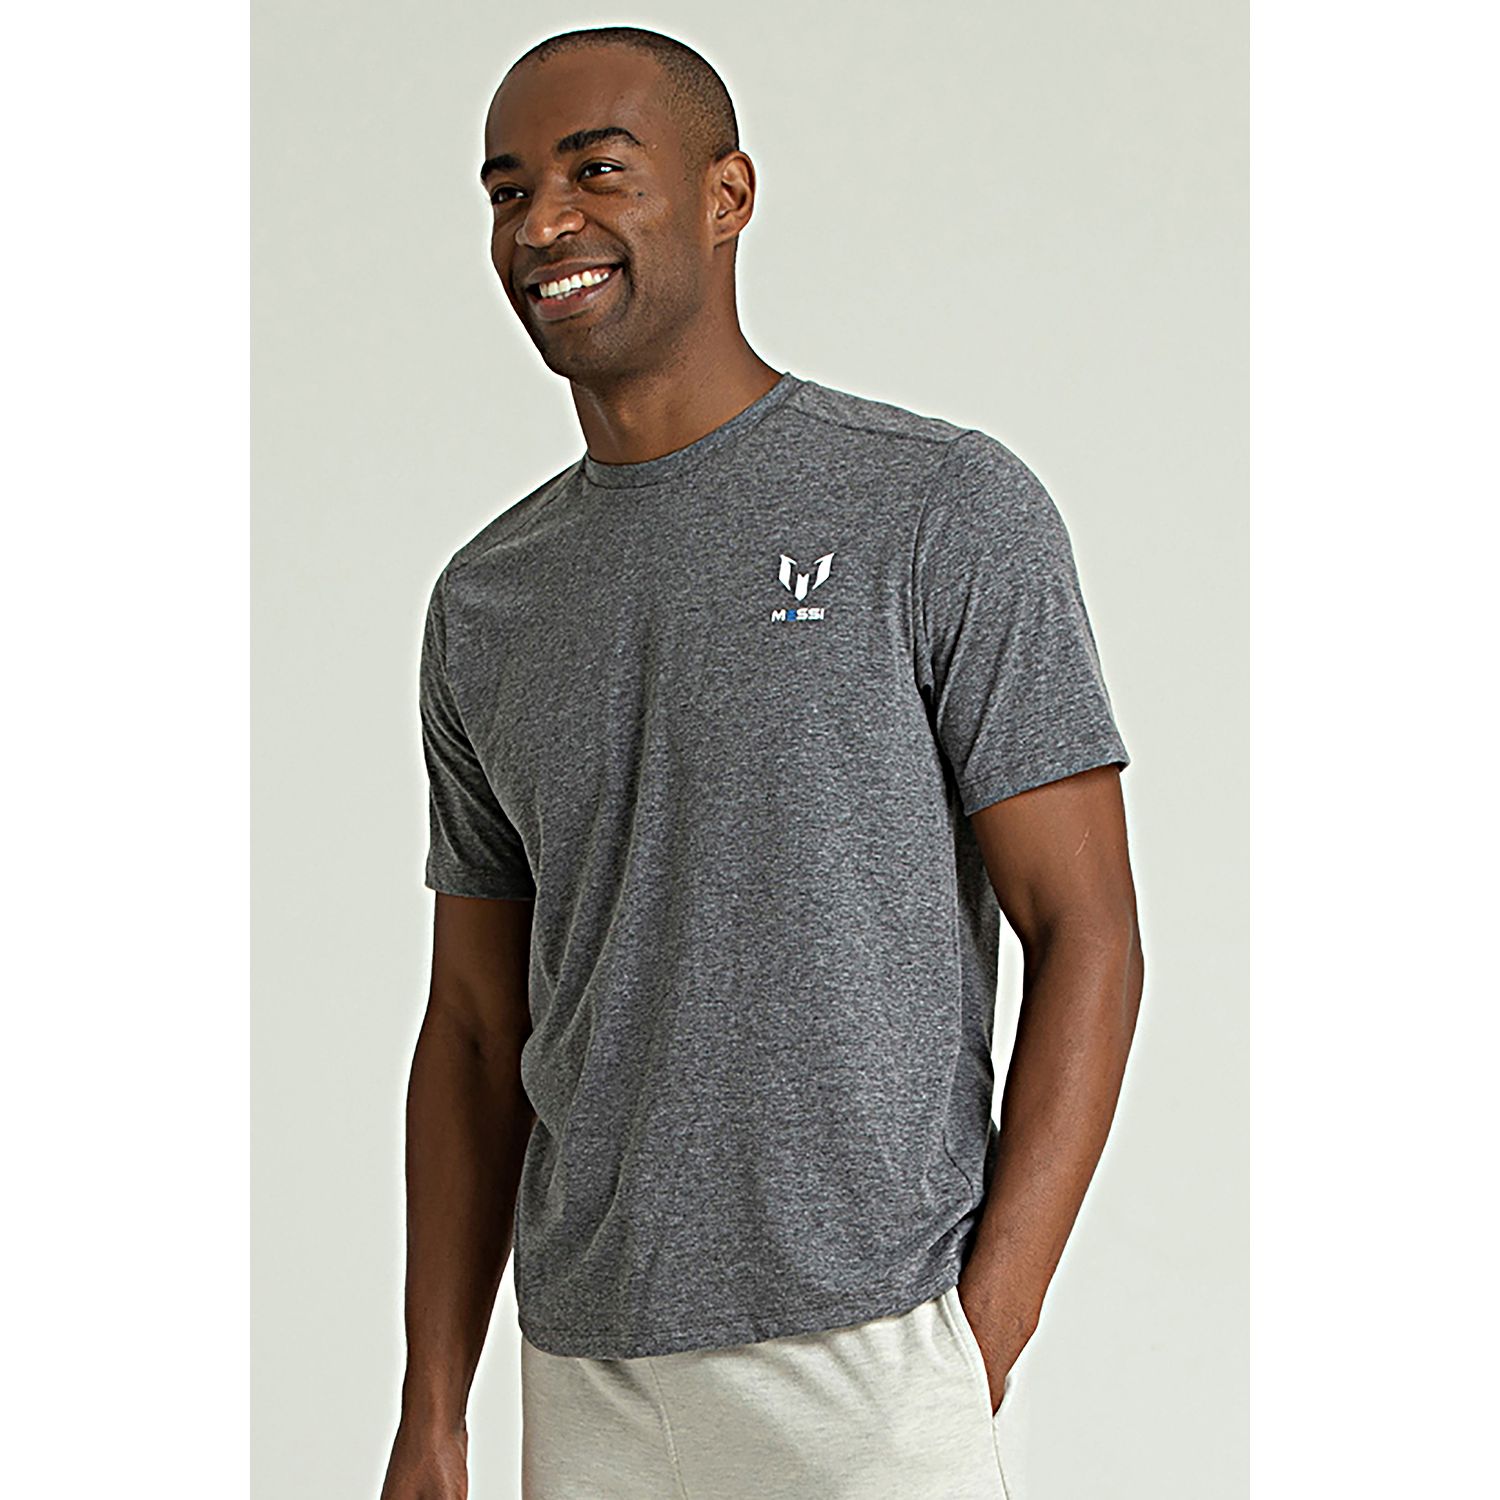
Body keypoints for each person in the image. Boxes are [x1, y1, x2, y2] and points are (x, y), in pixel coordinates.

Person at [380, 24, 1144, 1500]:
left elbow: (1087, 928)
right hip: (586, 1371)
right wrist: (434, 1409)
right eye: (508, 190)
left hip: (871, 1360)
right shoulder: (487, 600)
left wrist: (980, 1333)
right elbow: (474, 1029)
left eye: (598, 171)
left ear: (727, 195)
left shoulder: (938, 505)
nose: (542, 224)